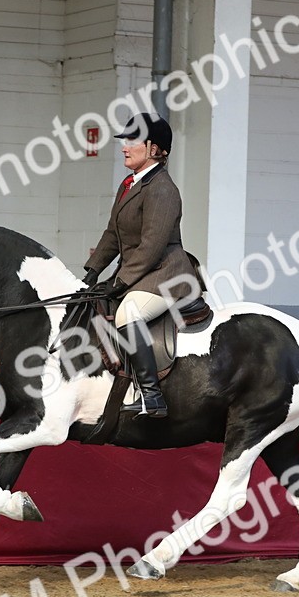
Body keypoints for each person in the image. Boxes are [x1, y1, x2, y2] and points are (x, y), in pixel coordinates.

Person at [82, 113, 199, 418]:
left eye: (133, 141)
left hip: (165, 274)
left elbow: (151, 246)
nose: (124, 147)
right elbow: (112, 233)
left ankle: (151, 396)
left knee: (128, 313)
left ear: (153, 149)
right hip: (139, 272)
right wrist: (93, 271)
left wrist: (120, 281)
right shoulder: (128, 185)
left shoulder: (163, 189)